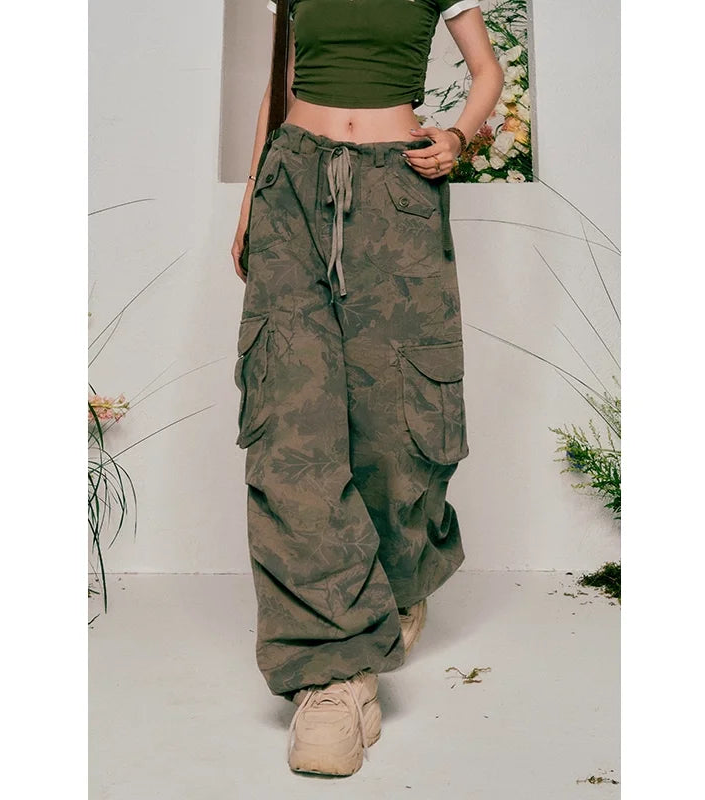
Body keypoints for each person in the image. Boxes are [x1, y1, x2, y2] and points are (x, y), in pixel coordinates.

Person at [230, 0, 504, 777]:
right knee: (290, 423)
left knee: (398, 420)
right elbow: (279, 84)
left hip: (398, 192)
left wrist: (458, 136)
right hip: (292, 186)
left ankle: (395, 581)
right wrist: (249, 202)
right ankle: (332, 676)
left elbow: (487, 72)